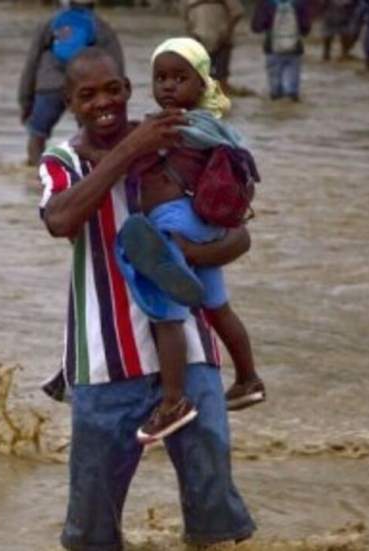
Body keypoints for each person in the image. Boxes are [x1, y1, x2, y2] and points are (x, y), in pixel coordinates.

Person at [39, 47, 256, 550]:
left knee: (214, 518)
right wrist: (129, 151)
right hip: (105, 362)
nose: (103, 103)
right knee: (92, 529)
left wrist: (186, 250)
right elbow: (61, 221)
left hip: (193, 351)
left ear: (129, 89)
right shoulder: (62, 159)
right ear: (71, 103)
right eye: (88, 96)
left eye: (112, 90)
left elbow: (240, 235)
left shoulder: (178, 140)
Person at [114, 37, 265, 443]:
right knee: (217, 307)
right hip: (203, 222)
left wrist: (132, 135)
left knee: (167, 315)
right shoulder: (213, 126)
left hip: (174, 220)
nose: (168, 86)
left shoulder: (181, 125)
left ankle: (173, 401)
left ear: (201, 84)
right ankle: (249, 379)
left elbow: (137, 149)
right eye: (160, 78)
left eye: (180, 78)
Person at [18, 0, 124, 167]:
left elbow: (31, 63)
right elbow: (116, 66)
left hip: (49, 86)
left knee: (37, 136)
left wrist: (25, 102)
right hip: (87, 91)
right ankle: (89, 175)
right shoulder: (101, 26)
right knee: (90, 136)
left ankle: (37, 179)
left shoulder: (50, 23)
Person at [178, 0, 254, 96]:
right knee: (201, 78)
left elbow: (237, 13)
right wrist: (191, 32)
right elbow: (184, 16)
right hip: (199, 39)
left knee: (220, 78)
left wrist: (227, 31)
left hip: (220, 39)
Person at [251, 0, 313, 101]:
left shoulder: (266, 3)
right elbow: (306, 28)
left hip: (272, 48)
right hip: (295, 48)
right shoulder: (300, 3)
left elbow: (256, 27)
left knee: (275, 91)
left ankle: (277, 104)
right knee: (292, 91)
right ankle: (292, 107)